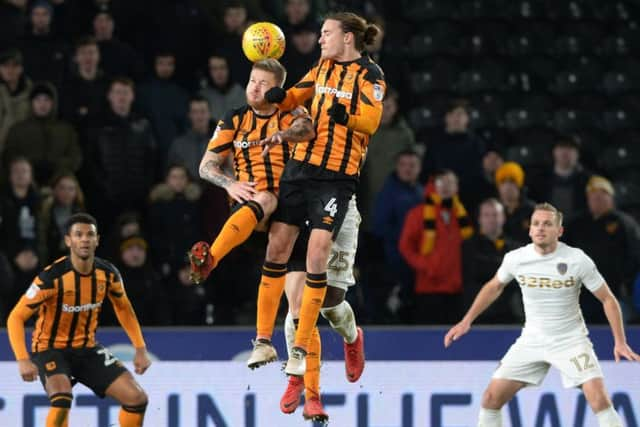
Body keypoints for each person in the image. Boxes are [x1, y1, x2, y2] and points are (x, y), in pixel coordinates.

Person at [251, 10, 385, 379]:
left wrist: (348, 118)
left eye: (326, 32)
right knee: (280, 254)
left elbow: (372, 120)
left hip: (336, 180)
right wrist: (281, 97)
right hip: (299, 171)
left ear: (347, 38)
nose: (320, 38)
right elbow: (299, 95)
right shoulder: (322, 67)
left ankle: (348, 337)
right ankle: (290, 359)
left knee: (330, 294)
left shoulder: (369, 75)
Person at [444, 203, 640, 427]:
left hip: (570, 340)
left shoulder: (577, 259)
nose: (540, 228)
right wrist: (466, 320)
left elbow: (608, 299)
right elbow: (494, 286)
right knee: (490, 399)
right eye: (536, 224)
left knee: (599, 399)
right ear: (529, 230)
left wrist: (620, 341)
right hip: (532, 340)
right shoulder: (516, 258)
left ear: (559, 231)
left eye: (547, 224)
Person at [6, 213, 151, 427]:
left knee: (137, 399)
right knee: (62, 397)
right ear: (68, 241)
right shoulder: (51, 278)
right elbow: (16, 317)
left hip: (87, 349)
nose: (84, 239)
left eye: (89, 234)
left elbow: (124, 308)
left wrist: (140, 348)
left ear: (97, 240)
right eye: (78, 234)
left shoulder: (108, 274)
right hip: (50, 349)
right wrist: (22, 359)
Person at [187, 58, 314, 285]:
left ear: (276, 90)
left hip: (291, 205)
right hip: (248, 205)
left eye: (263, 84)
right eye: (252, 81)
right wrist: (230, 184)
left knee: (288, 280)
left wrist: (283, 136)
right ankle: (211, 260)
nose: (254, 87)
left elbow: (306, 130)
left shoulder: (290, 114)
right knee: (264, 198)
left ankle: (290, 321)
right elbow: (205, 166)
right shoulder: (234, 118)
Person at [280, 194, 362, 423]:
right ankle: (300, 381)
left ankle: (353, 337)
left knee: (332, 304)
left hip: (340, 205)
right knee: (298, 304)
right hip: (302, 207)